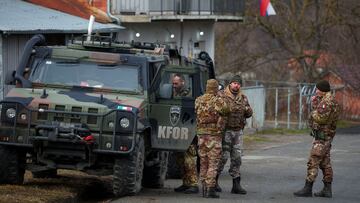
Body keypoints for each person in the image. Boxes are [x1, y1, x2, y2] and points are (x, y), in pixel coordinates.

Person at [294, 80, 341, 198]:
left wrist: (314, 109)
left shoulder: (327, 102)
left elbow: (321, 118)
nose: (316, 91)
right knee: (325, 162)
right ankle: (327, 189)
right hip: (327, 135)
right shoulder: (331, 100)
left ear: (322, 90)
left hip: (322, 136)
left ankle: (308, 188)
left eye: (317, 89)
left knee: (313, 159)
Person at [216, 75, 252, 194]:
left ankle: (236, 185)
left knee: (237, 158)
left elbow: (249, 113)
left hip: (238, 132)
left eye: (238, 84)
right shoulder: (222, 95)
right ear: (230, 84)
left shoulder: (243, 98)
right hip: (225, 131)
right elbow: (216, 110)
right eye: (234, 83)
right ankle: (214, 181)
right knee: (223, 157)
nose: (236, 85)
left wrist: (248, 110)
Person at [195, 79, 228, 198]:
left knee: (203, 162)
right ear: (215, 88)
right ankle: (210, 189)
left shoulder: (198, 100)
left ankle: (203, 187)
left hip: (201, 135)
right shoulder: (218, 100)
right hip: (214, 135)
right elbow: (226, 110)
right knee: (213, 163)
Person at [172, 73, 199, 194]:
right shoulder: (173, 93)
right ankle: (186, 183)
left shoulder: (189, 94)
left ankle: (193, 184)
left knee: (189, 158)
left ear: (182, 82)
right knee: (179, 159)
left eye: (176, 83)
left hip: (189, 129)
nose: (174, 86)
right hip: (179, 130)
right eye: (173, 83)